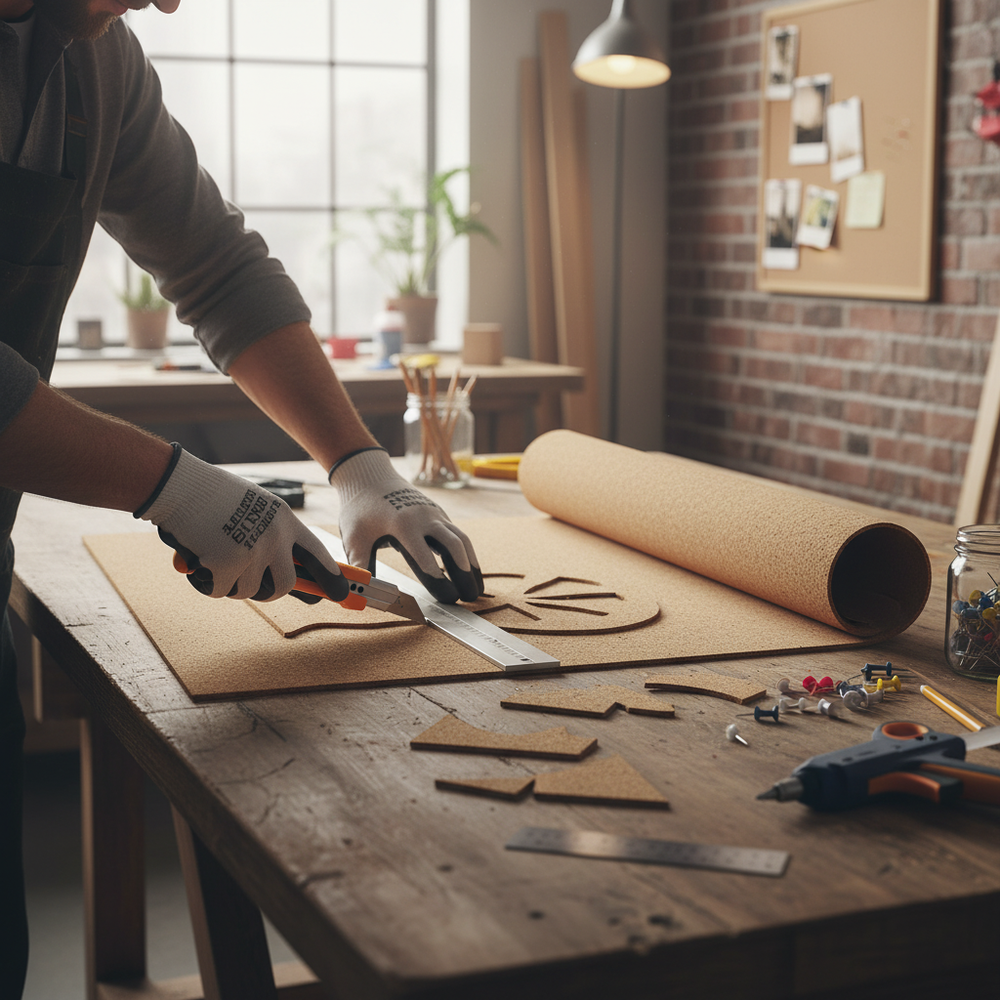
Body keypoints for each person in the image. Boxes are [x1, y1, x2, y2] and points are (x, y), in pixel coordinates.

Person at [0, 2, 484, 995]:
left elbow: (216, 268)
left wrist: (358, 465)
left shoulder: (98, 65)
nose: (171, 1)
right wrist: (168, 483)